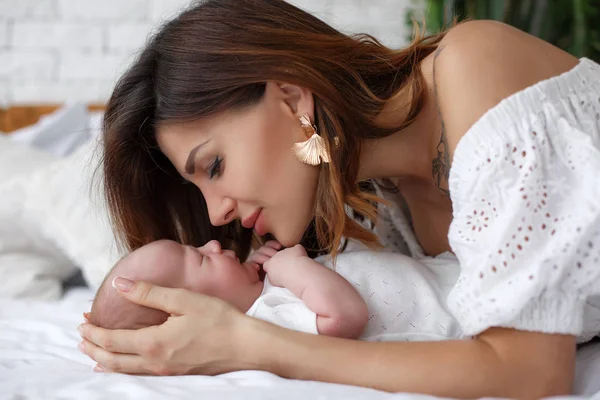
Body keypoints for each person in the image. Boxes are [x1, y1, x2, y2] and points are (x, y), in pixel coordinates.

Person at [77, 0, 600, 397]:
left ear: (290, 97)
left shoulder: (473, 64)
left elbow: (533, 371)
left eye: (214, 166)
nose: (216, 215)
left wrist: (250, 346)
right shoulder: (364, 202)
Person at [89, 238, 463, 342]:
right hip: (455, 314)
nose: (214, 245)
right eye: (202, 259)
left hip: (448, 275)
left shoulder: (267, 293)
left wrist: (271, 268)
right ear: (192, 311)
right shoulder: (265, 323)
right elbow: (342, 317)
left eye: (199, 246)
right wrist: (293, 268)